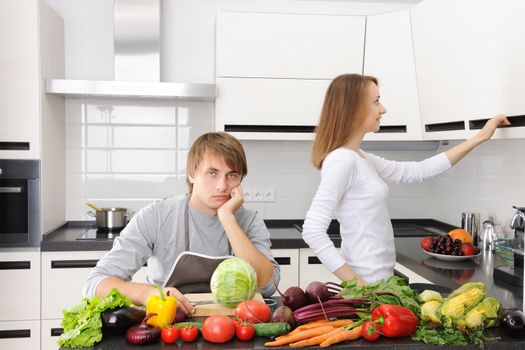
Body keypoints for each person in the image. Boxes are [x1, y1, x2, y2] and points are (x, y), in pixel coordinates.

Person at [302, 73, 510, 286]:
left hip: (381, 284)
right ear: (353, 108)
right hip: (368, 289)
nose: (383, 109)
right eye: (376, 102)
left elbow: (418, 171)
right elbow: (312, 231)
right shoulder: (342, 160)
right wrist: (359, 286)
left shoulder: (359, 157)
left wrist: (480, 137)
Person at [83, 132, 280, 315]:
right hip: (168, 325)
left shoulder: (249, 220)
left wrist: (228, 219)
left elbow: (268, 285)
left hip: (232, 326)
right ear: (192, 174)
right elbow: (96, 283)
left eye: (232, 175)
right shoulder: (157, 216)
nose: (222, 186)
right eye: (212, 173)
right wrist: (147, 294)